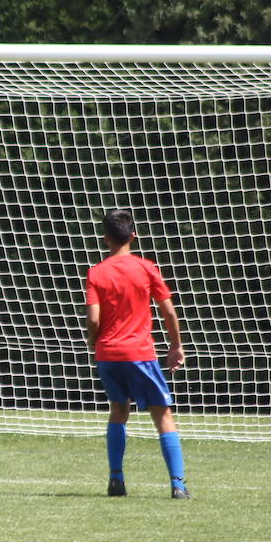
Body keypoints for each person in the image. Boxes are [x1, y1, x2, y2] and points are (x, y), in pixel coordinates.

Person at [84, 209, 189, 500]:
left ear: (106, 239)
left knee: (118, 411)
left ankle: (116, 480)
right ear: (133, 235)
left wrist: (95, 344)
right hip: (139, 353)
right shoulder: (146, 268)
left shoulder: (96, 272)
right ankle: (178, 484)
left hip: (108, 354)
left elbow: (93, 318)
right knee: (162, 415)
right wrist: (176, 345)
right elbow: (168, 310)